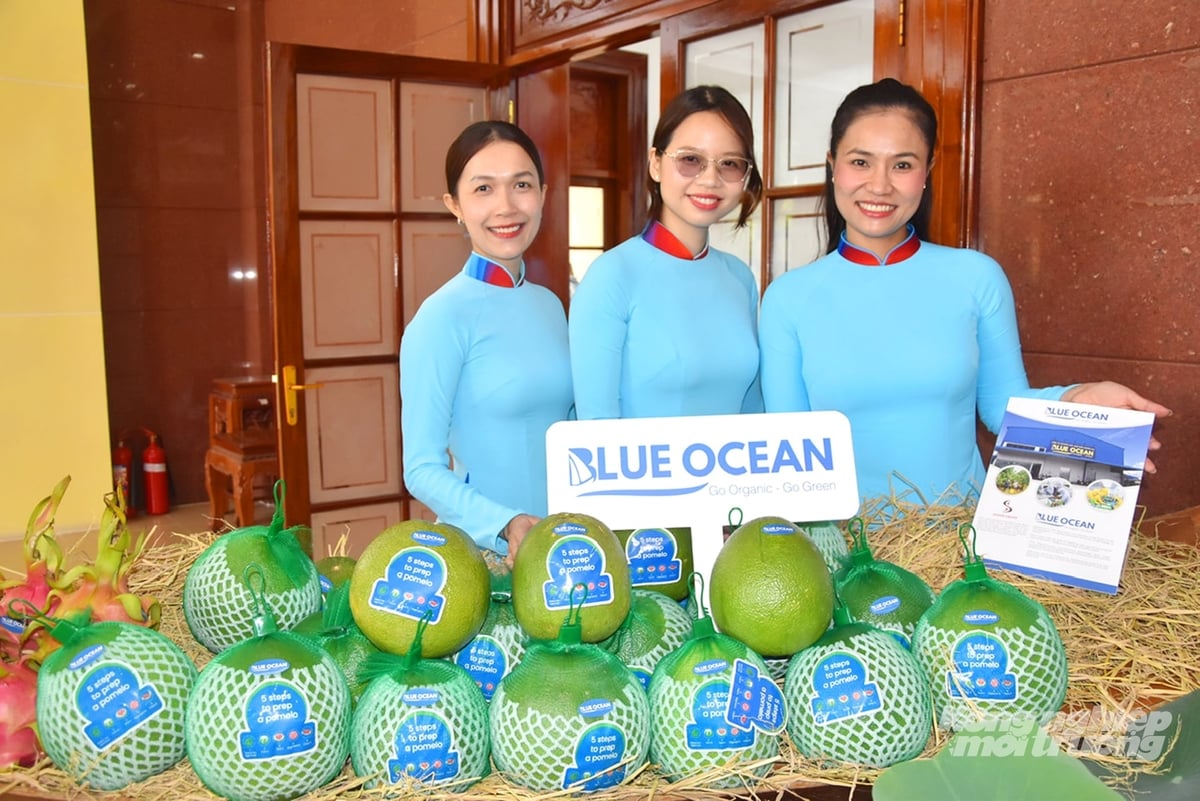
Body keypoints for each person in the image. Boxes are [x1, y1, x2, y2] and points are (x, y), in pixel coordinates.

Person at [758, 78, 1170, 505]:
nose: (880, 186)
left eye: (902, 165)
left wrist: (1076, 399)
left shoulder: (976, 277)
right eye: (861, 162)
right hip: (845, 553)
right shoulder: (788, 299)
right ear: (832, 164)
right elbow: (790, 449)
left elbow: (1001, 408)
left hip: (961, 547)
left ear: (928, 171)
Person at [400, 120, 572, 561]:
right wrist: (506, 523)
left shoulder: (551, 305)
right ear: (454, 205)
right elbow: (421, 468)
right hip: (485, 555)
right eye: (483, 189)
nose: (507, 206)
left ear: (544, 195)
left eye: (521, 184)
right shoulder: (441, 317)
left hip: (564, 546)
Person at [569, 85, 765, 420]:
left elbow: (754, 412)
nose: (710, 179)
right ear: (656, 164)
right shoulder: (612, 276)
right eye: (691, 160)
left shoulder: (739, 277)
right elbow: (594, 428)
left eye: (729, 164)